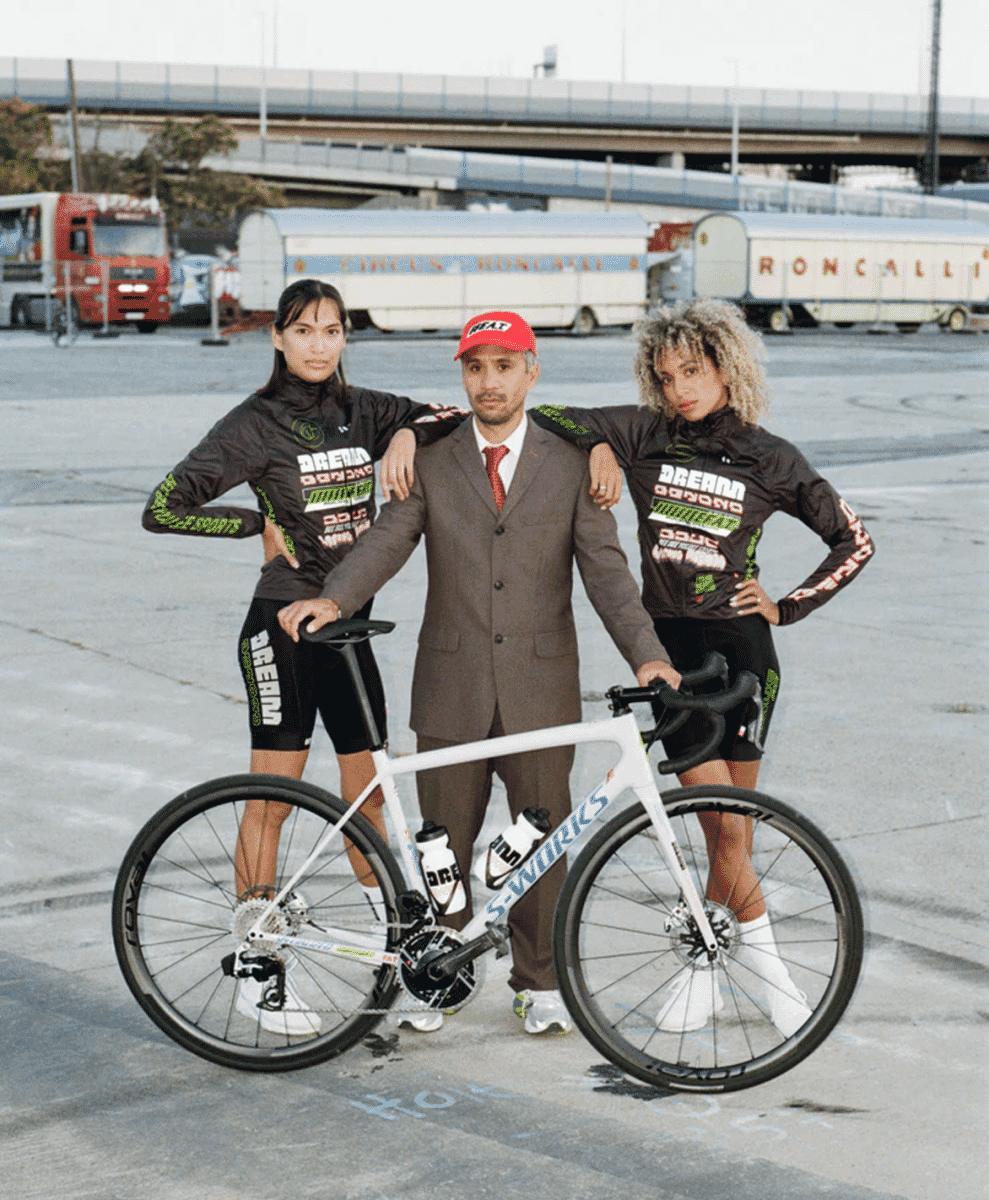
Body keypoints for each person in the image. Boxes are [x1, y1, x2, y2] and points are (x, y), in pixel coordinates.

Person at [278, 310, 680, 1036]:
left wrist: (646, 654)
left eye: (502, 366)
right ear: (461, 375)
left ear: (531, 372)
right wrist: (333, 596)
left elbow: (608, 576)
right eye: (474, 367)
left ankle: (538, 981)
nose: (487, 382)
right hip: (450, 682)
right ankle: (444, 972)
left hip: (540, 685)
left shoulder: (570, 462)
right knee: (440, 840)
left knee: (541, 842)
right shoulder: (431, 460)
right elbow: (387, 540)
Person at [529, 296, 875, 1036]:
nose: (680, 387)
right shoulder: (642, 432)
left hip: (746, 654)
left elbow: (854, 541)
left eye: (693, 370)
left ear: (725, 366)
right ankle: (769, 970)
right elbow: (548, 414)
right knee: (714, 818)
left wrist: (786, 606)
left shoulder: (769, 455)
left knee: (734, 831)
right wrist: (599, 446)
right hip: (672, 656)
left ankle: (706, 969)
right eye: (666, 375)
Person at [141, 278, 464, 1035]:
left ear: (344, 338)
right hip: (279, 631)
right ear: (278, 338)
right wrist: (251, 524)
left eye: (332, 329)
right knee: (272, 802)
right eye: (303, 330)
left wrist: (408, 433)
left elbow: (443, 415)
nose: (318, 343)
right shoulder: (251, 424)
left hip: (347, 635)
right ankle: (256, 963)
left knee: (369, 800)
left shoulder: (368, 411)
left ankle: (402, 952)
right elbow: (162, 507)